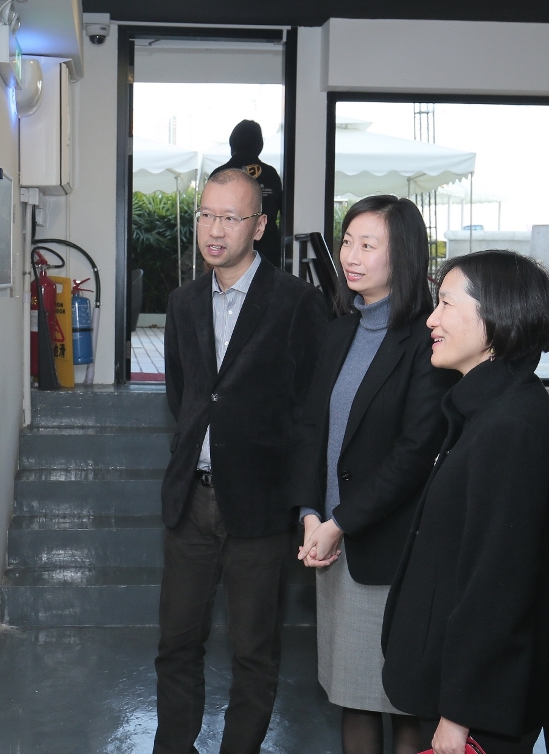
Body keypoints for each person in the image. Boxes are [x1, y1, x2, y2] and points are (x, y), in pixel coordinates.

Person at [381, 250, 549, 754]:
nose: (432, 318)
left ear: (495, 316)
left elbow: (498, 589)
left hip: (478, 708)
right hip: (465, 693)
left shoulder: (510, 428)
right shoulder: (491, 407)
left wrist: (459, 716)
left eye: (445, 303)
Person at [155, 167, 328, 754]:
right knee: (176, 644)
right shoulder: (181, 303)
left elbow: (309, 412)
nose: (214, 229)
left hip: (258, 503)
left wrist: (304, 501)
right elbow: (184, 397)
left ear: (259, 226)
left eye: (231, 217)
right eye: (206, 214)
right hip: (191, 502)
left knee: (254, 652)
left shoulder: (297, 303)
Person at [291, 196, 459, 754]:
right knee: (352, 697)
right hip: (334, 546)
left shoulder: (424, 340)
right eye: (347, 242)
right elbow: (313, 430)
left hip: (391, 549)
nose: (351, 256)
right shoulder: (339, 331)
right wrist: (311, 514)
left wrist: (338, 523)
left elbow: (414, 454)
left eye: (368, 244)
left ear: (403, 254)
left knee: (402, 706)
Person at [210, 120, 285, 267]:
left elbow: (211, 215)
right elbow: (282, 213)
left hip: (229, 247)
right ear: (259, 145)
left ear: (233, 143)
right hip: (268, 249)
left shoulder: (220, 174)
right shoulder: (270, 174)